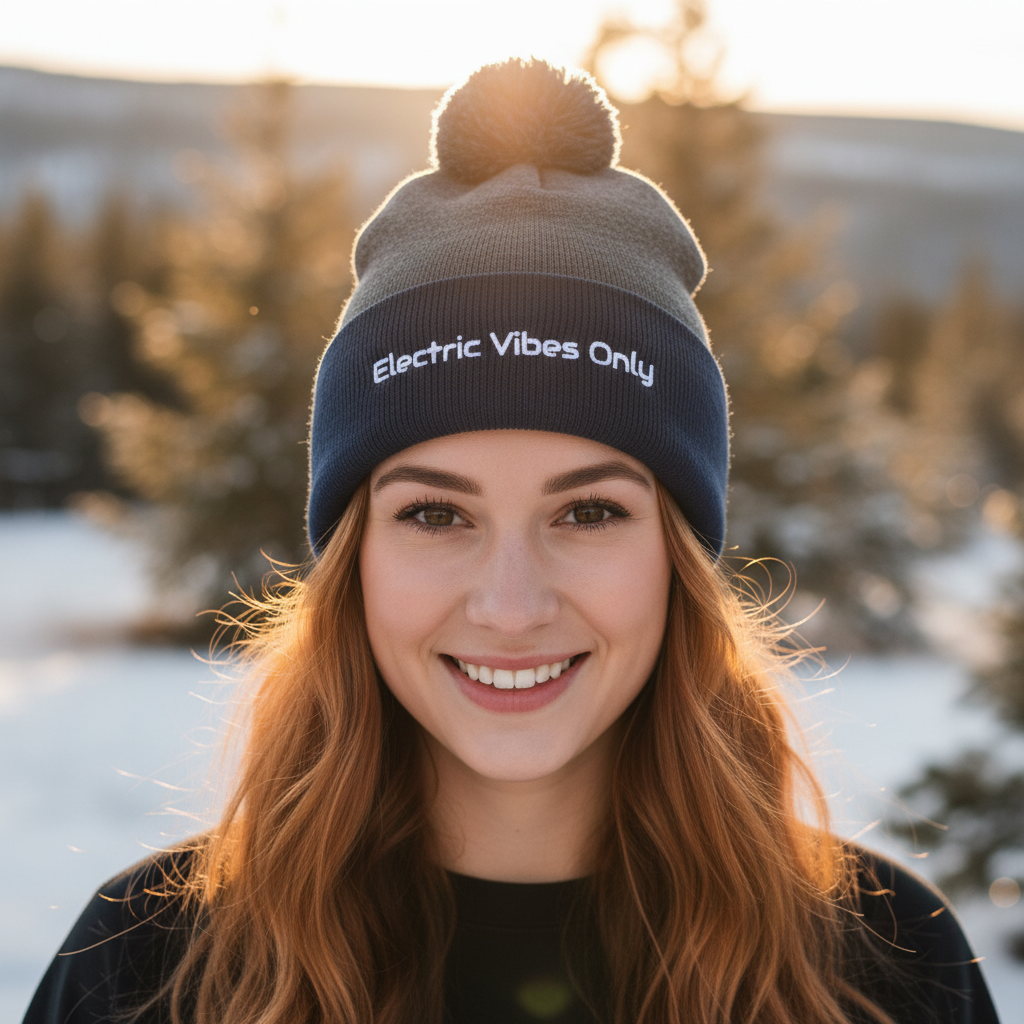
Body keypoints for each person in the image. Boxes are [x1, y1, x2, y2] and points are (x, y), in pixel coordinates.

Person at [24, 58, 999, 1024]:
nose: (510, 602)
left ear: (678, 558)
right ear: (353, 559)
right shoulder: (145, 968)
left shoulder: (883, 967)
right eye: (435, 514)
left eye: (588, 512)